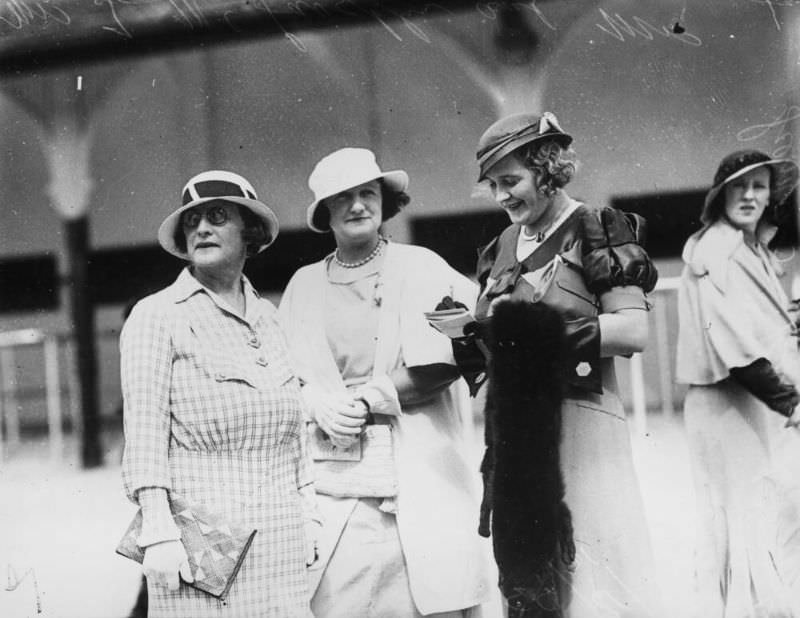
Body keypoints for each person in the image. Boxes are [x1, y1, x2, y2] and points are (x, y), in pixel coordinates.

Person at [458, 111, 660, 617]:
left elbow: (633, 329)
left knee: (595, 576)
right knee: (531, 584)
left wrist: (529, 335)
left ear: (548, 169)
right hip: (515, 431)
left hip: (583, 424)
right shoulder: (501, 247)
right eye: (493, 185)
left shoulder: (597, 227)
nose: (502, 196)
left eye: (512, 181)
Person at [278, 147, 493, 618]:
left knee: (431, 594)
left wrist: (370, 397)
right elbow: (283, 375)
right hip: (334, 480)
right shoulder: (302, 284)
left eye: (367, 193)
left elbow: (447, 360)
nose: (357, 205)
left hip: (417, 470)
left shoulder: (421, 265)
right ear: (325, 212)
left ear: (384, 201)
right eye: (343, 197)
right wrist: (316, 402)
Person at [120, 170, 318, 617]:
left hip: (282, 538)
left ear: (249, 232)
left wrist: (311, 513)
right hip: (201, 550)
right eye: (192, 222)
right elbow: (145, 433)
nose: (201, 229)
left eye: (217, 216)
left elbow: (296, 429)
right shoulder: (157, 316)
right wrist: (158, 531)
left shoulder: (270, 317)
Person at [676, 150, 800, 616]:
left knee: (762, 528)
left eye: (760, 186)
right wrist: (791, 402)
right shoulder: (715, 250)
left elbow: (763, 325)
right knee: (742, 532)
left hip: (753, 407)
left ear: (771, 196)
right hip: (727, 407)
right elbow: (736, 348)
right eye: (738, 187)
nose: (750, 196)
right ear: (719, 196)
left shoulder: (756, 248)